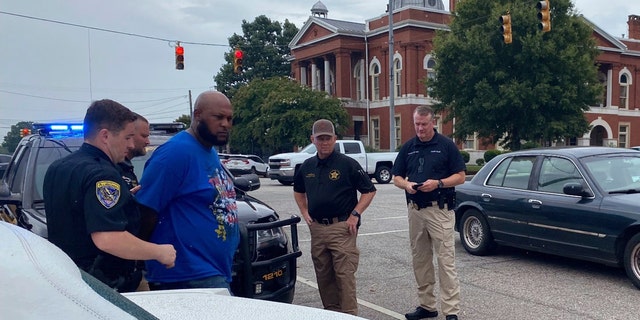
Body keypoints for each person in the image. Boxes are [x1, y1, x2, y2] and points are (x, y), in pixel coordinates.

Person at [43, 99, 177, 293]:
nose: (131, 145)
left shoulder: (58, 167)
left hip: (68, 283)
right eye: (127, 137)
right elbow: (108, 238)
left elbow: (78, 214)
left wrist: (123, 199)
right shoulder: (103, 174)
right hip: (108, 287)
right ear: (105, 135)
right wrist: (159, 252)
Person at [135, 91, 240, 292]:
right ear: (198, 114)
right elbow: (146, 210)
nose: (225, 124)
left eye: (229, 118)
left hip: (213, 270)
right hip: (186, 275)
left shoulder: (209, 151)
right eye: (218, 117)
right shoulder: (176, 153)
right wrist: (140, 261)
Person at [293, 119, 377, 315]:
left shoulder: (347, 164)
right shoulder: (307, 166)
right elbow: (298, 191)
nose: (324, 142)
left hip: (342, 228)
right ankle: (331, 313)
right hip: (318, 229)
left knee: (344, 275)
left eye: (328, 138)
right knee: (324, 275)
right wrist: (305, 213)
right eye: (320, 138)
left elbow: (369, 191)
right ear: (312, 139)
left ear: (335, 139)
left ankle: (349, 315)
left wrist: (355, 215)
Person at [391, 105, 466, 320]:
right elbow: (396, 177)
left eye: (424, 124)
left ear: (433, 122)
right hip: (415, 211)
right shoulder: (409, 147)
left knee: (446, 261)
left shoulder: (446, 146)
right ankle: (427, 306)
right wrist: (406, 184)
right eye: (417, 124)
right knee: (420, 260)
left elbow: (460, 176)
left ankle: (451, 311)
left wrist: (438, 183)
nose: (420, 128)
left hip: (439, 210)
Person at [118, 113, 150, 191]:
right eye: (143, 136)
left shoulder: (127, 168)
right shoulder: (112, 169)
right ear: (130, 134)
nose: (148, 142)